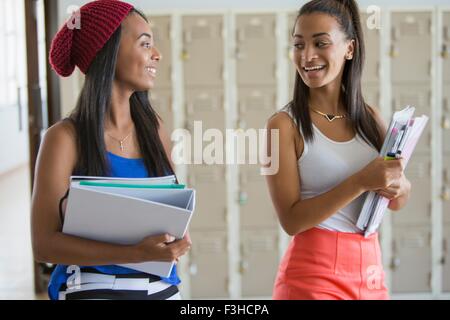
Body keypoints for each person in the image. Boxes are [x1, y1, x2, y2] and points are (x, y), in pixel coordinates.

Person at [31, 0, 190, 300]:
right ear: (109, 51)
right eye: (145, 44)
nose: (157, 55)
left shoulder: (154, 130)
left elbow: (171, 209)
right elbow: (43, 244)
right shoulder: (64, 138)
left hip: (160, 286)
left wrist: (176, 237)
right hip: (91, 287)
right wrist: (133, 253)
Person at [265, 0, 411, 300]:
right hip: (312, 277)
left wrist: (400, 185)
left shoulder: (370, 118)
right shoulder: (282, 125)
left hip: (369, 271)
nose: (307, 56)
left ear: (350, 49)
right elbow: (291, 221)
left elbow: (397, 201)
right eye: (298, 44)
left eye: (321, 43)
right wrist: (361, 181)